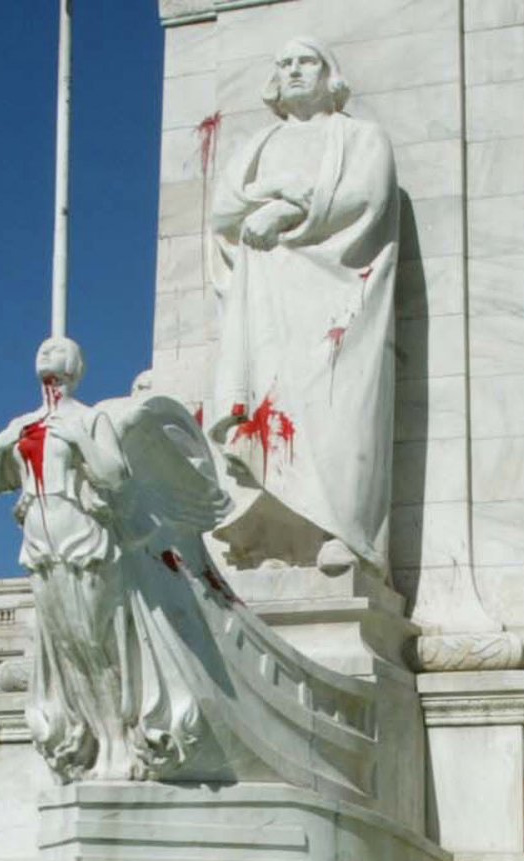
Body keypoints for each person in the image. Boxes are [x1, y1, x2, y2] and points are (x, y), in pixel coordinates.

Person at [205, 36, 398, 575]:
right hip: (264, 298)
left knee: (336, 408)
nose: (293, 71)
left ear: (328, 74)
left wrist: (289, 210)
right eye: (283, 62)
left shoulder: (361, 136)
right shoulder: (261, 144)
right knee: (266, 415)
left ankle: (341, 531)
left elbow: (368, 196)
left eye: (305, 62)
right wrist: (277, 198)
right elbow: (224, 209)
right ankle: (263, 536)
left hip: (337, 298)